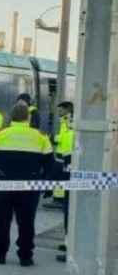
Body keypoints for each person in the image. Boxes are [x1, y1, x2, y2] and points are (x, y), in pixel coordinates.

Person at [0, 102, 53, 266]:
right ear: (28, 118)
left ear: (10, 116)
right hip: (30, 187)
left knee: (2, 221)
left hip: (2, 186)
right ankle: (26, 256)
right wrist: (46, 186)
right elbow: (49, 164)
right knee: (27, 222)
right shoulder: (41, 136)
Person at [54, 101, 75, 263]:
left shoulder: (72, 123)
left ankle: (71, 246)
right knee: (68, 209)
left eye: (60, 109)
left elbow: (70, 144)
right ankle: (68, 242)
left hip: (71, 166)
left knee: (72, 209)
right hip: (65, 166)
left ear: (68, 109)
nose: (58, 111)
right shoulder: (65, 123)